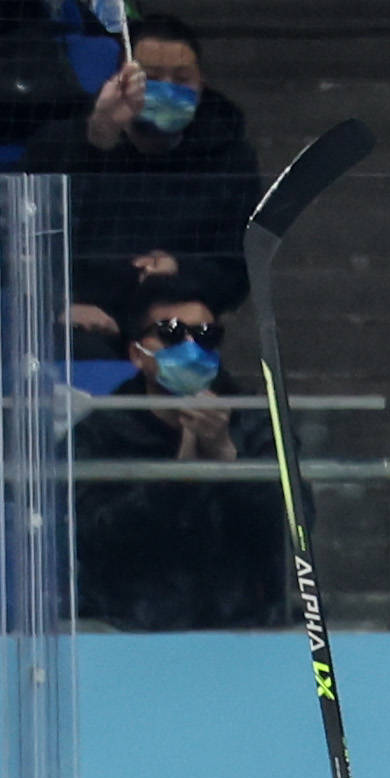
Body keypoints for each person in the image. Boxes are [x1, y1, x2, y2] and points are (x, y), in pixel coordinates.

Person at [74, 272, 282, 634]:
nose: (190, 347)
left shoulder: (257, 420)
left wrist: (227, 458)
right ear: (137, 354)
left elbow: (292, 528)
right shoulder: (103, 427)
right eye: (170, 333)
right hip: (128, 630)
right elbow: (92, 536)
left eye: (205, 336)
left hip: (243, 630)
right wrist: (179, 475)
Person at [34, 13, 259, 322]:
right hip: (82, 313)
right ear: (121, 80)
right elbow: (31, 239)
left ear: (201, 83)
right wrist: (96, 140)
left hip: (174, 314)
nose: (167, 90)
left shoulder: (228, 156)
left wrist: (179, 270)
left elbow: (239, 267)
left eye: (181, 80)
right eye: (151, 78)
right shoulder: (63, 144)